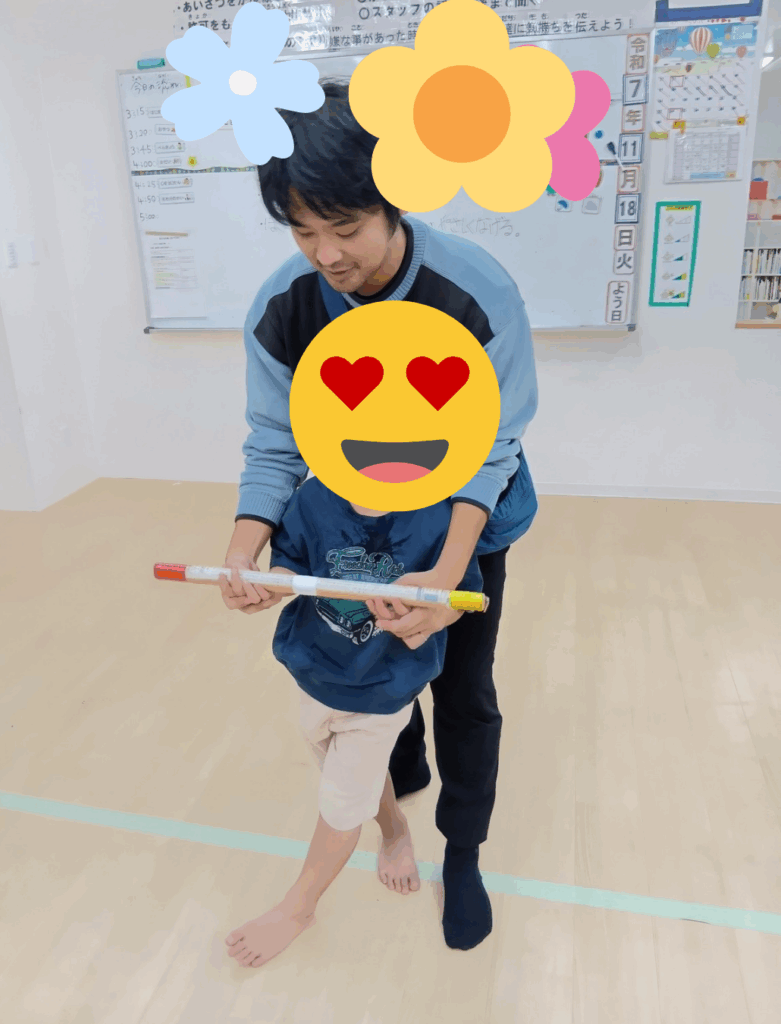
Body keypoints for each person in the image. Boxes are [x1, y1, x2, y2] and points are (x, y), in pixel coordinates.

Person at [219, 79, 539, 952]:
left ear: (393, 200)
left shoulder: (473, 289)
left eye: (345, 226)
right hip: (350, 526)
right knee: (370, 670)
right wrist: (246, 548)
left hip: (463, 529)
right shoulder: (283, 306)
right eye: (302, 230)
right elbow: (274, 440)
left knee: (462, 692)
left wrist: (445, 576)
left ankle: (462, 854)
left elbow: (492, 445)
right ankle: (400, 785)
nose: (325, 253)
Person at [224, 477, 483, 967]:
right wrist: (268, 583)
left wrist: (437, 615)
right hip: (313, 674)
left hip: (383, 688)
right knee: (350, 772)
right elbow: (290, 562)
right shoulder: (314, 496)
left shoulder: (440, 513)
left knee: (342, 805)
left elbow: (464, 595)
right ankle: (394, 828)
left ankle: (299, 908)